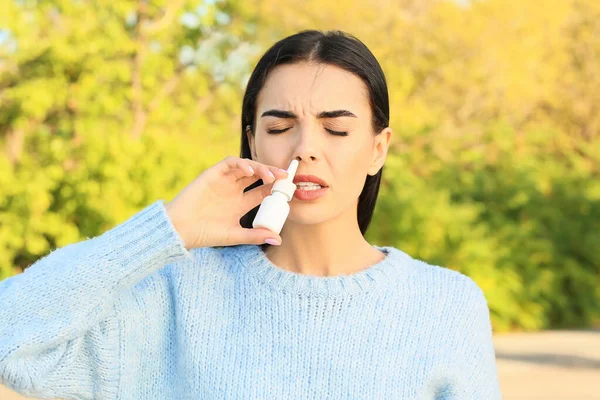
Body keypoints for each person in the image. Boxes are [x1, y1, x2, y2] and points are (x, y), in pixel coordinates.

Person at [0, 30, 502, 399]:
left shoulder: (445, 307)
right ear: (252, 141)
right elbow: (10, 336)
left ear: (377, 148)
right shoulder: (174, 295)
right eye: (280, 125)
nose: (305, 149)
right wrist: (166, 229)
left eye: (337, 129)